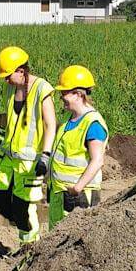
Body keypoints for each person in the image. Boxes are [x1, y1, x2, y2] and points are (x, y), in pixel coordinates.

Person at [0, 46, 56, 245]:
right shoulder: (10, 88)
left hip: (29, 163)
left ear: (21, 71)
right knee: (2, 202)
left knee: (23, 209)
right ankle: (21, 228)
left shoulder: (42, 89)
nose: (5, 80)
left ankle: (30, 247)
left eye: (8, 75)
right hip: (9, 160)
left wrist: (45, 155)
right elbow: (8, 120)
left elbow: (50, 124)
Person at [48, 64, 108, 230]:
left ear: (78, 94)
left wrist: (77, 188)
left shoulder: (92, 124)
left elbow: (97, 161)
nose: (61, 97)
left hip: (79, 198)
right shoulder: (70, 118)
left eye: (64, 92)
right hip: (61, 196)